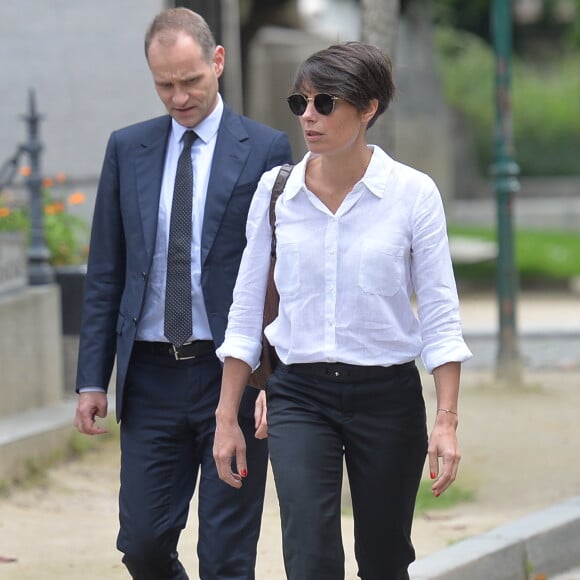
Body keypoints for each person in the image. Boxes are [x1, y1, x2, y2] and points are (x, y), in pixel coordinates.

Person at [213, 41, 472, 579]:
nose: (308, 116)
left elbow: (442, 318)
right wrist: (226, 416)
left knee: (383, 558)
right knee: (309, 558)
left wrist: (446, 421)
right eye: (300, 103)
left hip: (388, 398)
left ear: (368, 108)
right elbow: (244, 313)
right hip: (299, 396)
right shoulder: (275, 193)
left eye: (324, 102)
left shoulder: (412, 195)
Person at [73, 7, 292, 580]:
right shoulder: (128, 149)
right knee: (142, 546)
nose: (177, 96)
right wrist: (93, 379)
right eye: (164, 84)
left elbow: (283, 273)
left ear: (217, 62)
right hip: (149, 377)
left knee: (225, 558)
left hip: (232, 373)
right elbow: (106, 270)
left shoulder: (265, 148)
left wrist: (278, 374)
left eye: (189, 81)